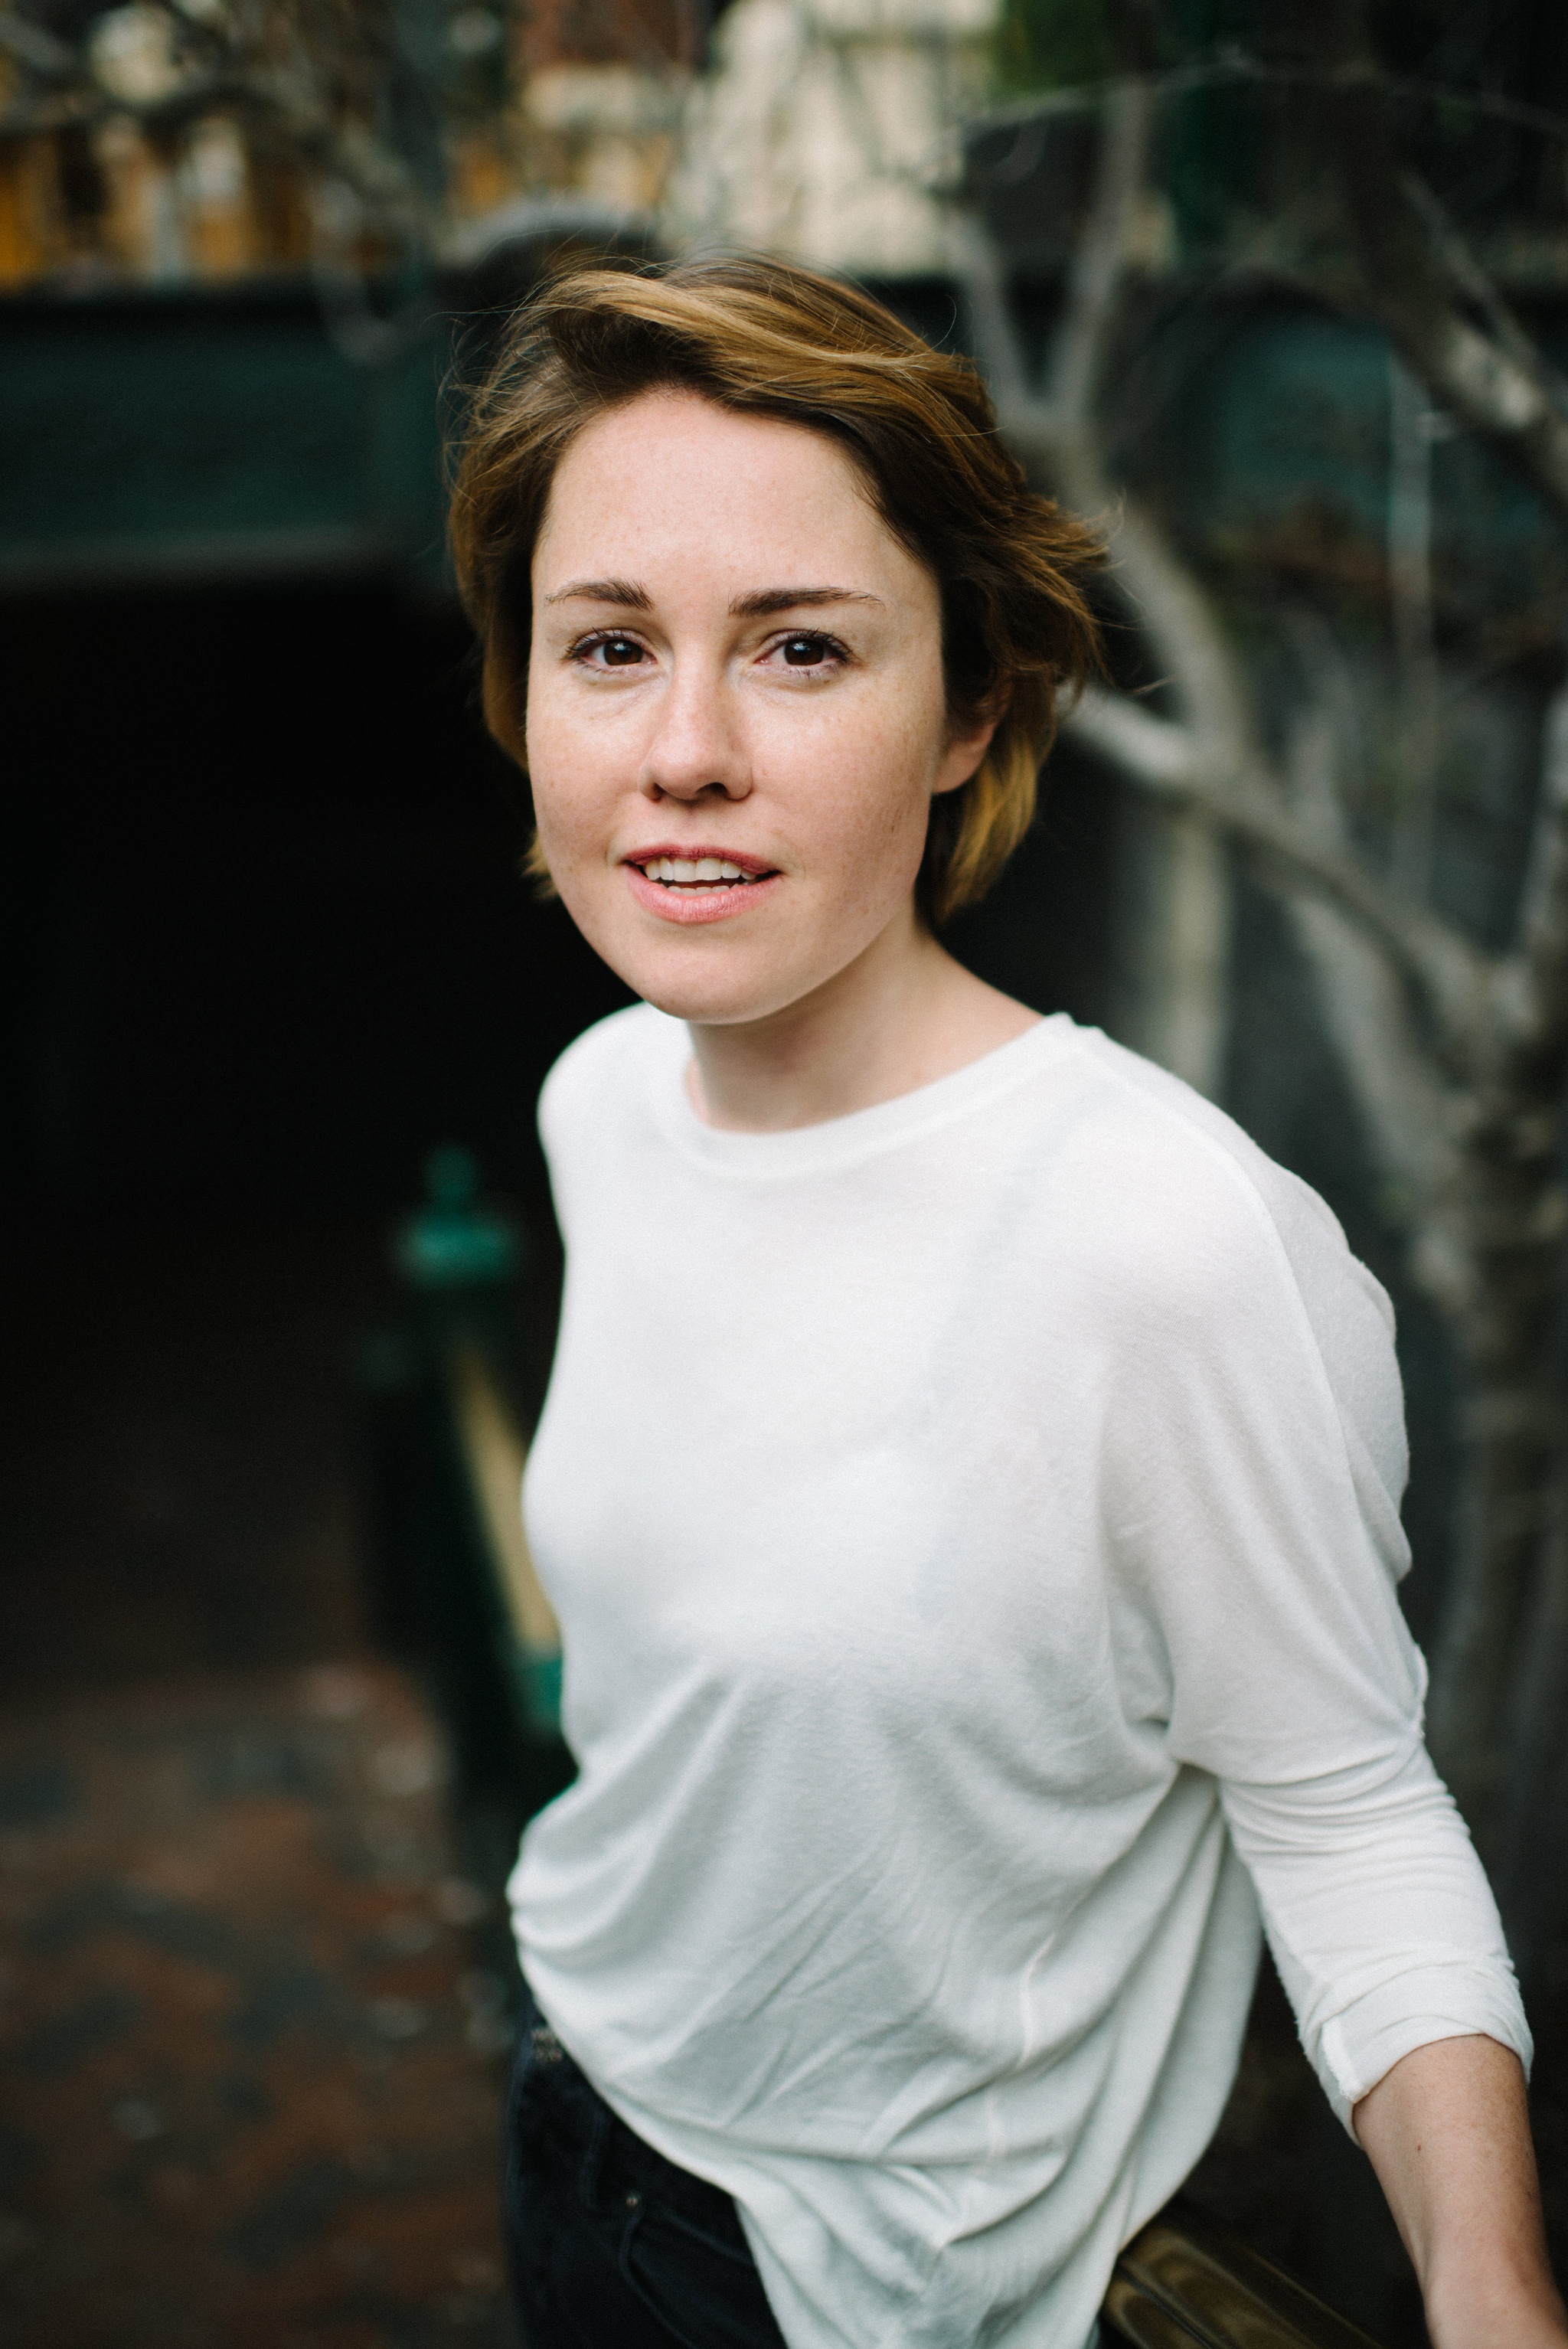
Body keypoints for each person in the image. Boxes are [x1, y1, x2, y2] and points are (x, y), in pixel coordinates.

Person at [448, 254, 1565, 2349]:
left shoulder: (1160, 1242)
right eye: (609, 645)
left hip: (891, 2288)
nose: (683, 751)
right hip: (573, 2106)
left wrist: (1489, 2284)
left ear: (968, 706)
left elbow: (1343, 1806)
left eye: (798, 647)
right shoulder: (602, 1100)